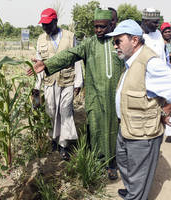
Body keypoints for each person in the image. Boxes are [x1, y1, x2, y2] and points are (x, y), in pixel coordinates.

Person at [28, 8, 124, 180]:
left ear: (111, 25)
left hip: (114, 96)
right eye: (96, 27)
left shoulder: (118, 43)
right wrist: (48, 65)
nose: (98, 30)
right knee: (94, 128)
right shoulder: (90, 44)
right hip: (94, 96)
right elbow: (70, 55)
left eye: (102, 27)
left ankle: (111, 163)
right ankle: (96, 161)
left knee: (113, 130)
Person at [106, 19, 171, 200]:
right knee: (123, 162)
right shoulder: (131, 60)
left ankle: (135, 195)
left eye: (118, 41)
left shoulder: (150, 63)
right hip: (128, 127)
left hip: (143, 133)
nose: (115, 45)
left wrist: (163, 112)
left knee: (138, 174)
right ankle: (132, 191)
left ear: (134, 40)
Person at [32, 8, 83, 161]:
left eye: (48, 24)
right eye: (43, 25)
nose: (45, 28)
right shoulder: (41, 40)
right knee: (52, 111)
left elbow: (77, 59)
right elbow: (39, 66)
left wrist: (78, 82)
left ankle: (63, 145)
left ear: (55, 22)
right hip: (49, 82)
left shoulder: (69, 37)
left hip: (67, 80)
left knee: (65, 110)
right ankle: (54, 138)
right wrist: (37, 87)